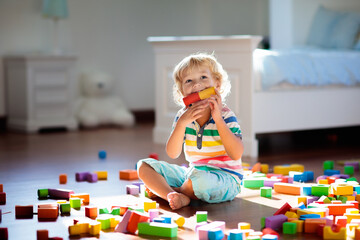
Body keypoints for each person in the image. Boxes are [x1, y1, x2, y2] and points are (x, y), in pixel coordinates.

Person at [137, 52, 244, 210]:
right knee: (144, 166)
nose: (196, 85)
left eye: (203, 78)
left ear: (217, 85)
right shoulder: (183, 116)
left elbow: (236, 154)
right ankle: (172, 195)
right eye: (189, 81)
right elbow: (172, 153)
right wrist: (181, 124)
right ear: (182, 93)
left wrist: (218, 119)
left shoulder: (226, 115)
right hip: (193, 173)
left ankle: (179, 192)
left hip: (226, 178)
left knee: (198, 180)